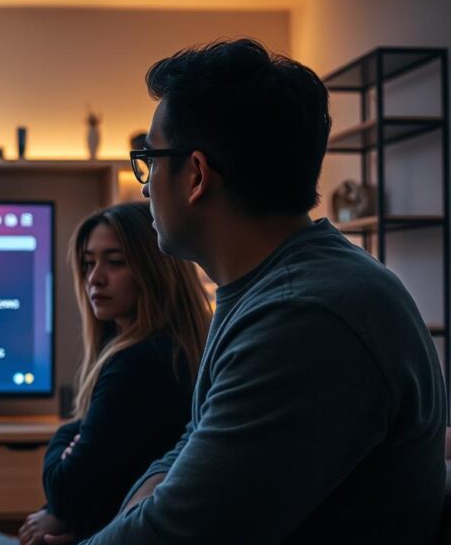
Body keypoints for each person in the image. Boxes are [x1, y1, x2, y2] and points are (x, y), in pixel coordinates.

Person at [82, 39, 446, 544]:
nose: (144, 186)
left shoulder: (305, 316)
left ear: (196, 175)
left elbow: (174, 533)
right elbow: (192, 446)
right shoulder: (271, 291)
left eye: (148, 159)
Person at [18, 202, 211, 545]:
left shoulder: (140, 363)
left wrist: (63, 435)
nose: (95, 278)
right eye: (89, 263)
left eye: (115, 262)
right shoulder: (170, 350)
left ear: (155, 269)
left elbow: (65, 487)